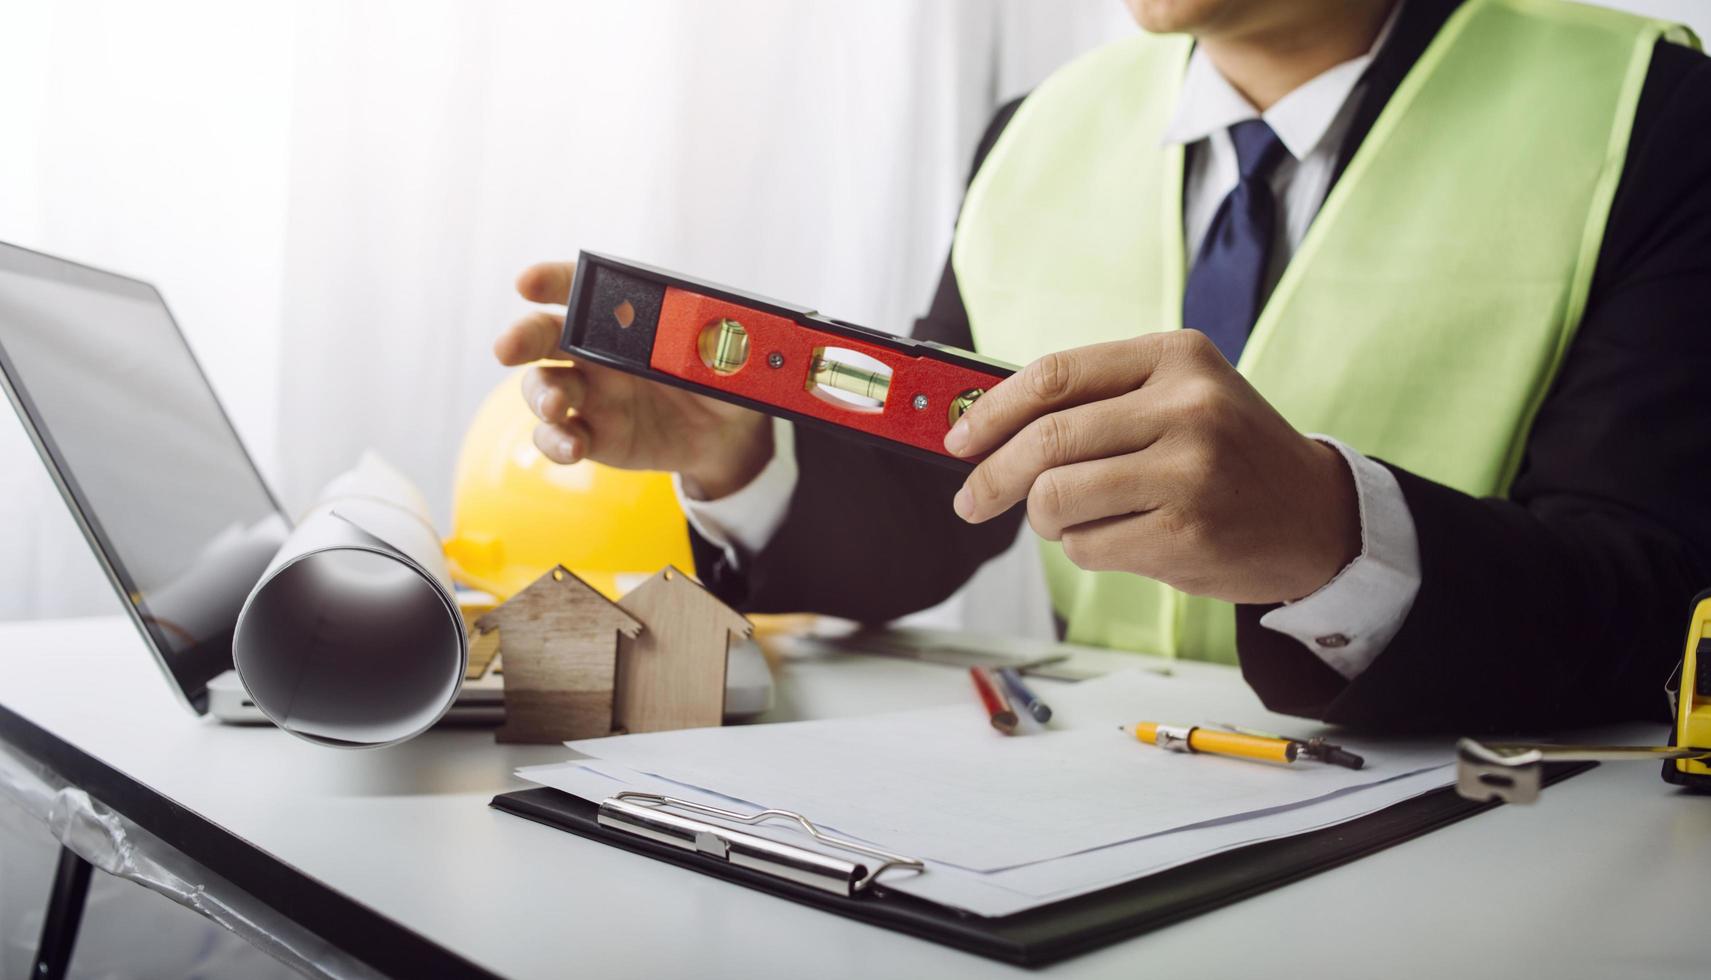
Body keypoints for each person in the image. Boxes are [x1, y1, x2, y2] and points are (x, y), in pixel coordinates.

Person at [494, 0, 1711, 732]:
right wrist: (742, 456)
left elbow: (1654, 596)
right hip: (1082, 821)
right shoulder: (1035, 132)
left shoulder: (1648, 112)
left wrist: (1333, 537)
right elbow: (942, 501)